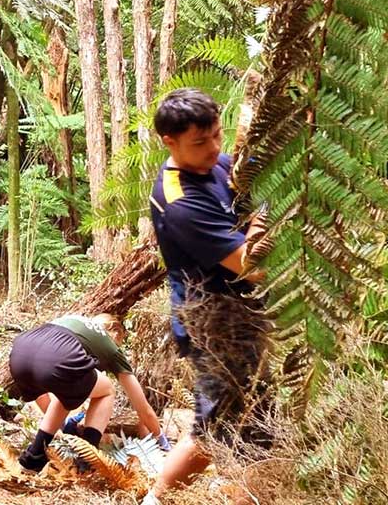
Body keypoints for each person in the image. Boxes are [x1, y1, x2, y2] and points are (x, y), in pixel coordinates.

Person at [142, 89, 267, 505]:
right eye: (200, 142)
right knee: (215, 425)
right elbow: (250, 264)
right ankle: (156, 499)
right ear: (170, 142)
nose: (214, 148)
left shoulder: (217, 164)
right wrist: (266, 215)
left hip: (244, 314)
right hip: (213, 324)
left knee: (254, 417)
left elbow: (257, 177)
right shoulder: (180, 202)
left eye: (217, 135)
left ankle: (250, 492)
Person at [6, 313, 169, 473]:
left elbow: (50, 387)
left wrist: (62, 427)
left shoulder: (72, 321)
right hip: (56, 363)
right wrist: (162, 441)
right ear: (113, 332)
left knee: (67, 390)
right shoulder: (109, 345)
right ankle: (87, 460)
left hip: (19, 356)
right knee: (107, 390)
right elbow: (143, 408)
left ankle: (33, 457)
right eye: (118, 343)